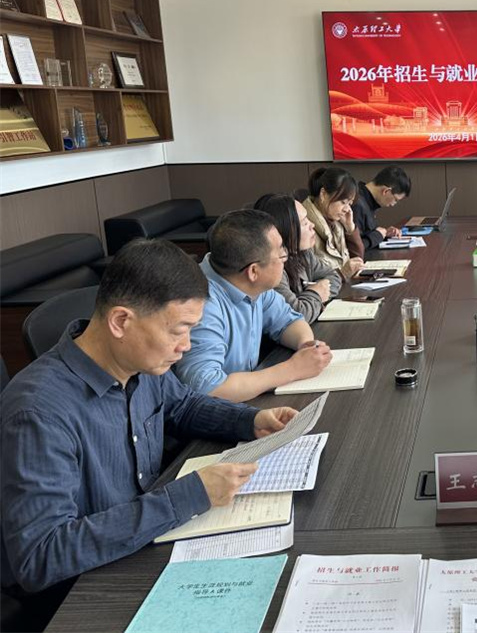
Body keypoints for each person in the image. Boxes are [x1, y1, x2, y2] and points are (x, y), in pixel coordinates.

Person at [0, 239, 300, 610]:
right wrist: (188, 496)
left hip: (143, 537)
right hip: (82, 592)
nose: (186, 346)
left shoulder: (139, 363)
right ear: (121, 321)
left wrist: (250, 419)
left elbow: (183, 405)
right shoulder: (38, 412)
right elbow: (41, 556)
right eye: (178, 331)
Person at [173, 209, 333, 401]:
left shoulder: (250, 282)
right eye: (281, 254)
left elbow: (289, 321)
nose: (286, 256)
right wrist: (292, 369)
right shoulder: (201, 304)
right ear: (254, 271)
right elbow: (207, 389)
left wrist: (306, 345)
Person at [254, 194, 343, 324]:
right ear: (285, 231)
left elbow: (333, 276)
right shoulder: (273, 268)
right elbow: (296, 315)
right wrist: (316, 294)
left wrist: (314, 297)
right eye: (305, 222)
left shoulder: (303, 253)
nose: (312, 225)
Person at [304, 166, 366, 268]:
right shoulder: (304, 226)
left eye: (350, 204)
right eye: (343, 202)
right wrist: (343, 274)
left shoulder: (336, 222)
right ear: (323, 194)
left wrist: (350, 229)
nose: (347, 209)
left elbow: (357, 262)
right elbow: (309, 274)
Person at [353, 165, 411, 251]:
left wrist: (385, 234)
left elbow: (366, 234)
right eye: (395, 200)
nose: (393, 204)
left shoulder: (367, 199)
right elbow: (353, 248)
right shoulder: (357, 203)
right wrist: (377, 236)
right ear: (386, 191)